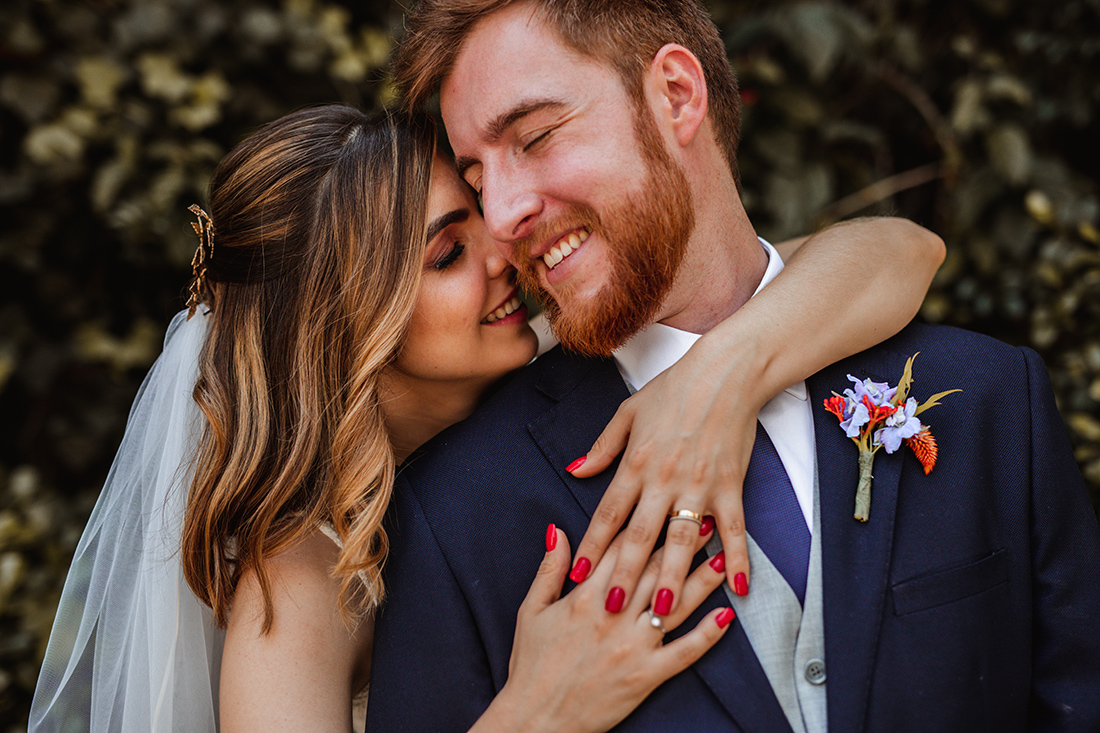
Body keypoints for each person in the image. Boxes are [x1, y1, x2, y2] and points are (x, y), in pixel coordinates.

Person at [29, 104, 941, 732]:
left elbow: (901, 249)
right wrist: (538, 708)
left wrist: (723, 379)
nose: (507, 251)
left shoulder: (549, 344)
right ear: (352, 321)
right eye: (447, 253)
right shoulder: (301, 570)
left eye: (481, 216)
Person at [368, 1, 1100, 731]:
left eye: (534, 137)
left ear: (677, 95)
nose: (500, 215)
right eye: (476, 175)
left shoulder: (992, 400)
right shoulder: (454, 511)